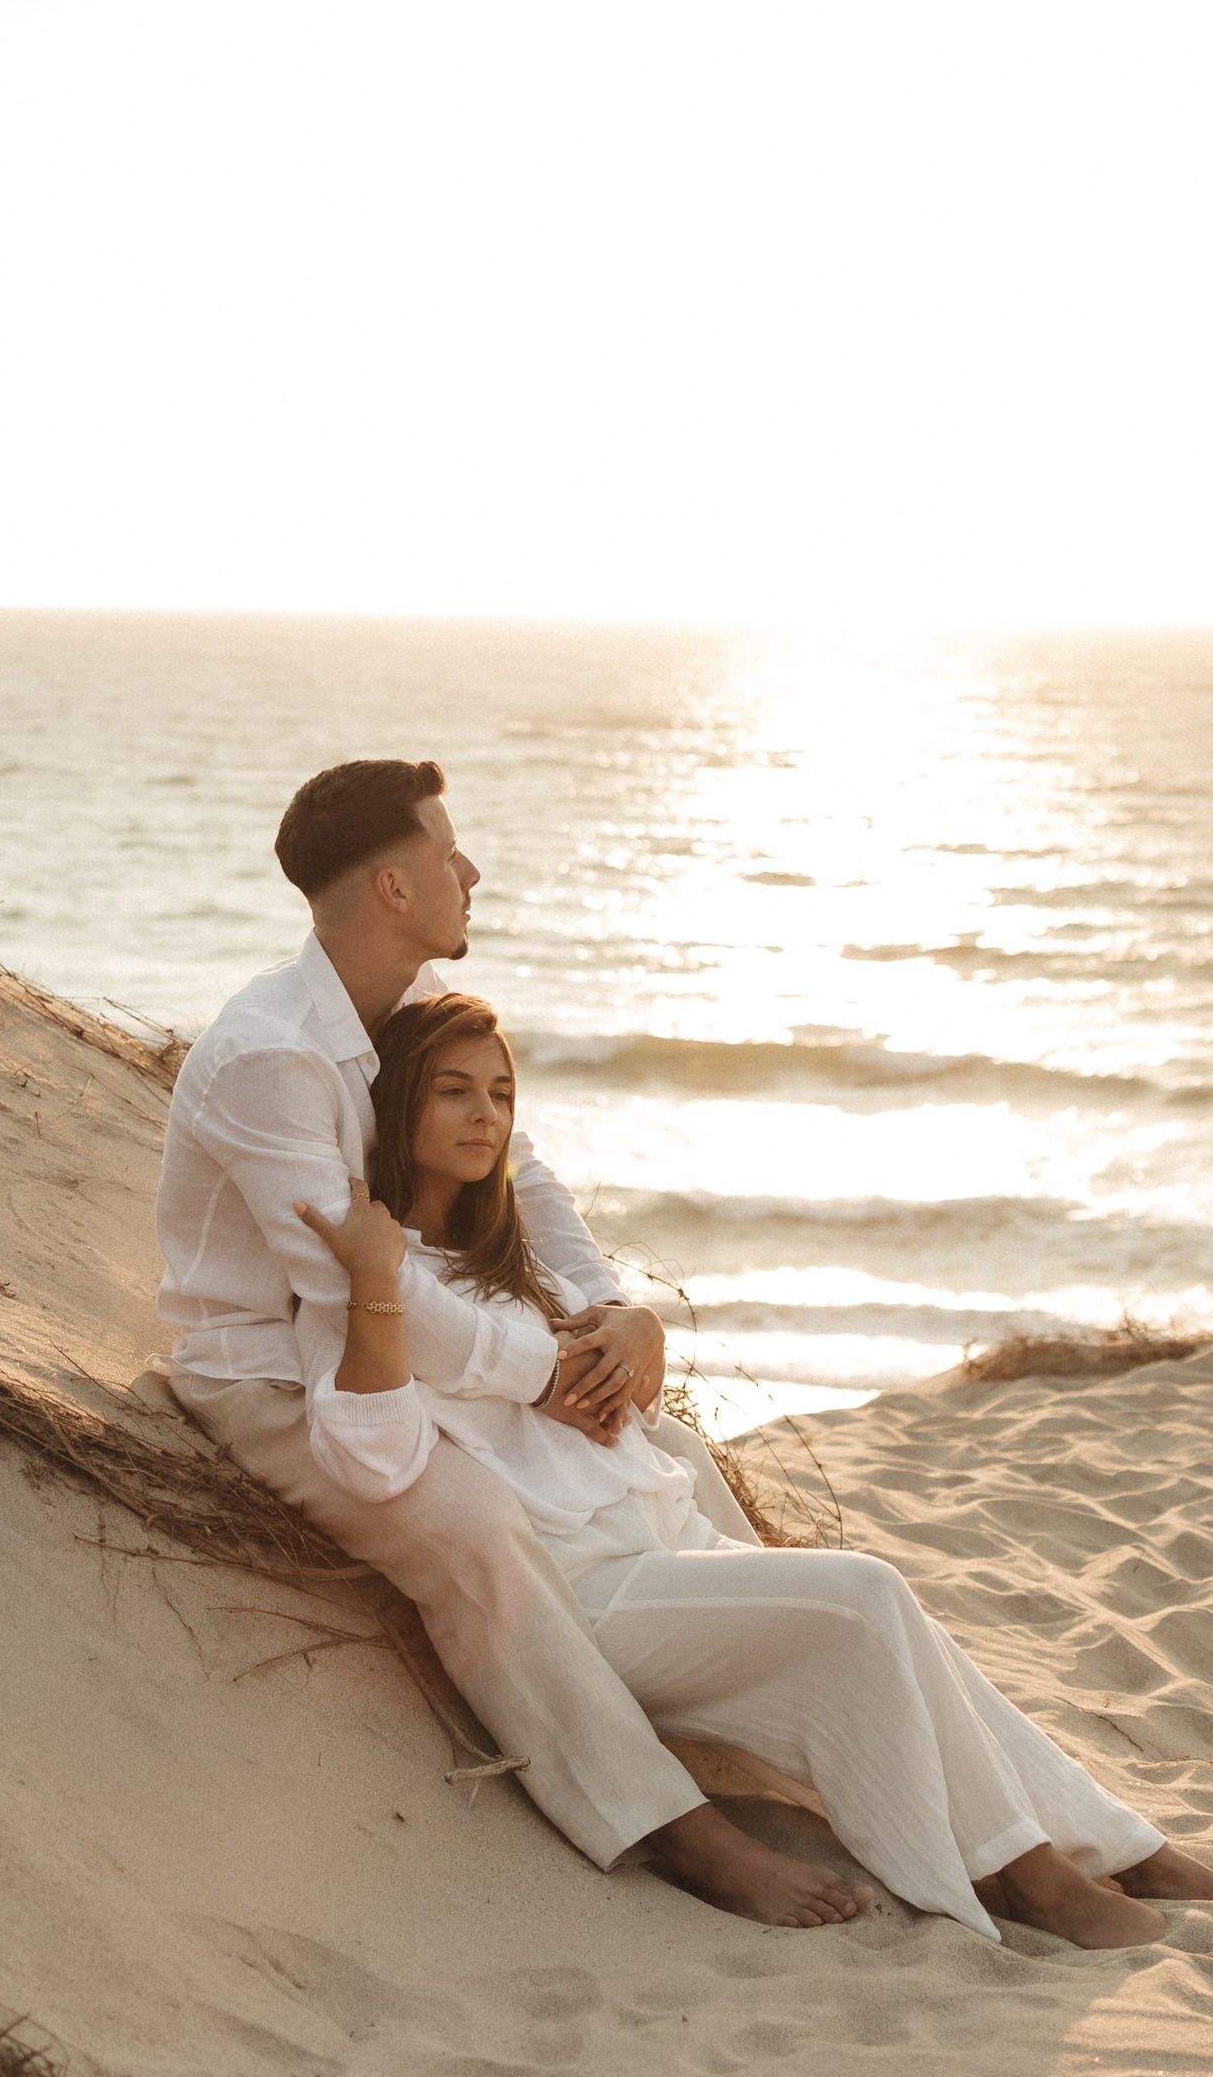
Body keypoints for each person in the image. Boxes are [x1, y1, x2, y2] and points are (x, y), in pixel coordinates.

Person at [290, 990, 1213, 1947]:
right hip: (586, 1591)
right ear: (399, 1104)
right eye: (454, 1091)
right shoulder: (384, 1270)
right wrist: (373, 1283)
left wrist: (632, 1331)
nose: (486, 1115)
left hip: (669, 1541)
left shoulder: (517, 1259)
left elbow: (626, 1392)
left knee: (903, 1626)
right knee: (865, 1595)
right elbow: (370, 1453)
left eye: (501, 1093)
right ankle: (1035, 1880)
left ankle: (1116, 1844)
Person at [157, 756, 886, 1923]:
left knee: (665, 1454)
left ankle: (771, 1684)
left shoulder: (386, 1015)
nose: (472, 870)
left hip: (408, 1351)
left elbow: (523, 1175)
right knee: (478, 1526)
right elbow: (351, 1290)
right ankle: (671, 1825)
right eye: (450, 853)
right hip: (277, 1372)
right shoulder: (273, 1058)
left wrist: (601, 1315)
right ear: (393, 887)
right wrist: (544, 1371)